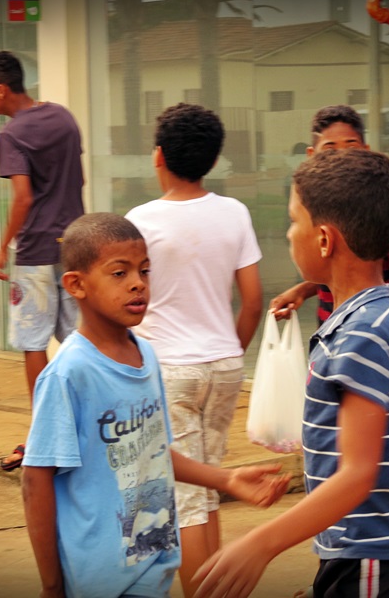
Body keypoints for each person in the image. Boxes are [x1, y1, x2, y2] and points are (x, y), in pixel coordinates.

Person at [193, 150, 389, 598]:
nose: (288, 233)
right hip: (383, 556)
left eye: (294, 221)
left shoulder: (360, 338)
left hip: (371, 561)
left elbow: (358, 475)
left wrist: (259, 544)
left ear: (325, 240)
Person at [21, 212, 289, 598]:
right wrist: (51, 585)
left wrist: (226, 480)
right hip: (100, 579)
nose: (138, 284)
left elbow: (154, 451)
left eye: (144, 271)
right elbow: (35, 479)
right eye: (120, 273)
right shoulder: (70, 373)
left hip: (153, 562)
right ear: (76, 285)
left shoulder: (145, 355)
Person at [125, 103, 264, 596]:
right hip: (224, 366)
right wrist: (227, 351)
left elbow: (126, 297)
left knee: (182, 502)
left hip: (169, 369)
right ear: (214, 158)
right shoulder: (235, 212)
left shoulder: (139, 221)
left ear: (158, 156)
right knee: (208, 489)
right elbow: (252, 301)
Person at [0, 51, 85, 471]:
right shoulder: (63, 118)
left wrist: (3, 245)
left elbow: (23, 197)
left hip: (36, 251)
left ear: (2, 89)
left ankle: (44, 436)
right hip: (75, 246)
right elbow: (78, 179)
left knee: (33, 342)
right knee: (78, 340)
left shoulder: (12, 134)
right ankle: (86, 426)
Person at [269, 104, 389, 355]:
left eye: (351, 147)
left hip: (365, 342)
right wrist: (303, 289)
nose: (342, 157)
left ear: (366, 151)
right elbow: (337, 270)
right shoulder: (316, 216)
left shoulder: (376, 216)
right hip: (329, 338)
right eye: (330, 149)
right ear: (311, 155)